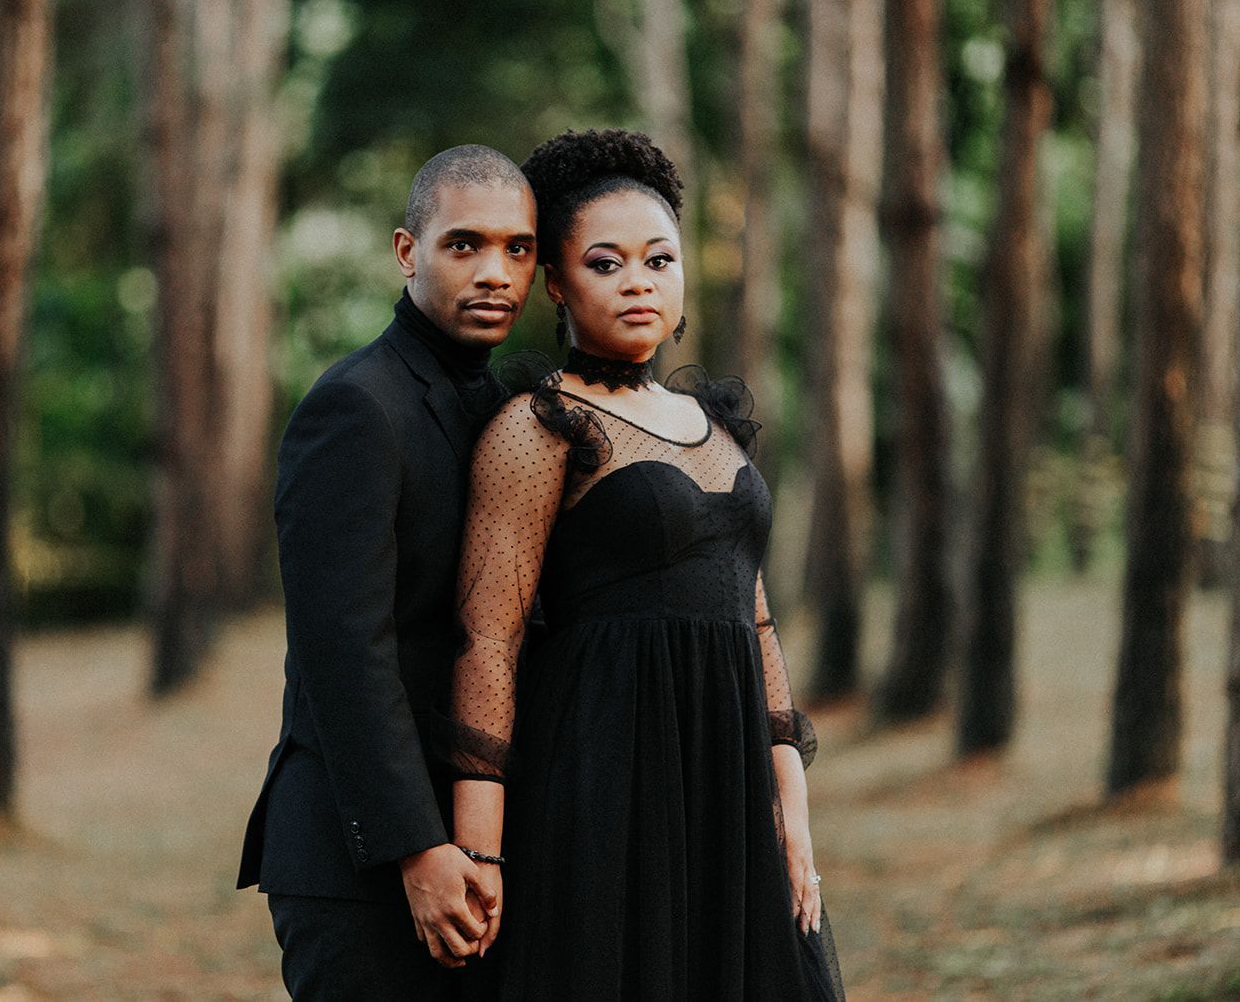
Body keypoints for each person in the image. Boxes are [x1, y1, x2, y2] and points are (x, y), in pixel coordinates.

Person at [442, 129, 846, 1000]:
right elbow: (488, 638)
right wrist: (479, 848)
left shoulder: (717, 421)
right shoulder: (540, 426)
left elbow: (757, 615)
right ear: (557, 282)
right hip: (602, 779)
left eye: (659, 259)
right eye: (606, 261)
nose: (637, 280)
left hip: (727, 780)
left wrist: (791, 805)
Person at [237, 144, 539, 999]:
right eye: (465, 244)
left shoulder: (508, 409)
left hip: (475, 845)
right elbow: (345, 651)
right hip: (358, 857)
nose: (495, 272)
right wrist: (419, 847)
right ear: (408, 252)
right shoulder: (355, 407)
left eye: (518, 249)